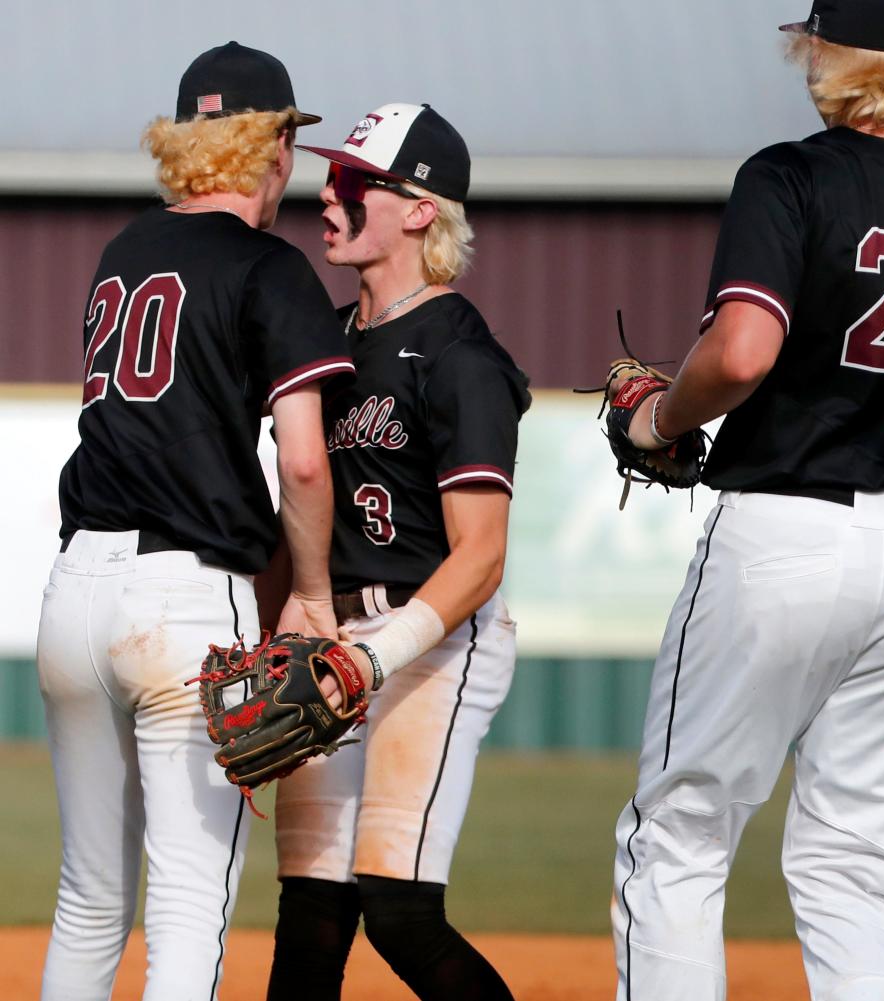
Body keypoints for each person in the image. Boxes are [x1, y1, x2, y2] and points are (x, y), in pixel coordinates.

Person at [609, 2, 884, 999]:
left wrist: (660, 422)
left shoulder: (793, 174)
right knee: (856, 864)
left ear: (830, 55)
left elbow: (745, 349)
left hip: (788, 523)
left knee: (678, 834)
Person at [35, 41, 353, 1001]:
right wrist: (308, 595)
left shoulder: (124, 250)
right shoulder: (271, 266)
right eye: (284, 141)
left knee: (90, 895)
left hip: (74, 595)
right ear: (264, 150)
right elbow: (301, 457)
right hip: (181, 603)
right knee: (185, 899)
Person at [263, 103, 530, 1001]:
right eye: (329, 181)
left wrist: (374, 650)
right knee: (309, 907)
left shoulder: (461, 353)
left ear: (421, 209)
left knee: (398, 905)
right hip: (332, 637)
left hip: (433, 643)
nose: (329, 200)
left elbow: (481, 554)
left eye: (354, 185)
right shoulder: (326, 345)